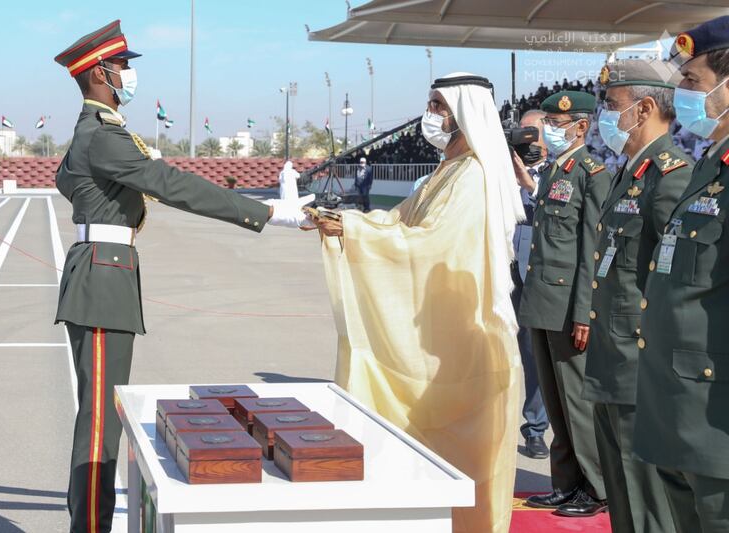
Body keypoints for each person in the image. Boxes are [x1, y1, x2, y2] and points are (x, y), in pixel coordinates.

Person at [52, 20, 311, 533]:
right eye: (123, 65)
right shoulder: (102, 136)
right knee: (101, 420)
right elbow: (170, 184)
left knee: (102, 414)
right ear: (100, 72)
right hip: (103, 278)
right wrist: (270, 214)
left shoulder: (95, 134)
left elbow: (66, 180)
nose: (128, 73)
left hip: (103, 269)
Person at [312, 72, 525, 533]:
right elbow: (399, 222)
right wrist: (347, 221)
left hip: (460, 338)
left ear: (464, 112)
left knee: (459, 459)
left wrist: (352, 231)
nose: (431, 116)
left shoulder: (473, 175)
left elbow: (432, 244)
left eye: (439, 106)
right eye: (430, 104)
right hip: (438, 333)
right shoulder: (448, 169)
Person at [581, 59, 692, 531]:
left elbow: (674, 282)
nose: (604, 115)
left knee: (647, 504)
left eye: (611, 105)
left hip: (639, 366)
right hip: (613, 359)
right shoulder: (631, 172)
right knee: (621, 497)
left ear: (644, 108)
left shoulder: (671, 176)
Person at [634, 16, 729, 532]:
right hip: (678, 411)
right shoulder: (709, 167)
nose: (682, 93)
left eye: (692, 81)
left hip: (717, 425)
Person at [512, 90, 610, 516]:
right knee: (554, 402)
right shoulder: (554, 171)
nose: (548, 130)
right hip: (543, 301)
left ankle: (596, 487)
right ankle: (566, 483)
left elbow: (592, 247)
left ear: (581, 126)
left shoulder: (592, 172)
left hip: (570, 306)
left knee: (577, 403)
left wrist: (585, 311)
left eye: (555, 122)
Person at [511, 110, 550, 460]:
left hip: (535, 276)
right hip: (501, 270)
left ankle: (535, 428)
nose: (527, 140)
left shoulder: (559, 175)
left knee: (535, 355)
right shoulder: (499, 173)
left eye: (533, 133)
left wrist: (530, 185)